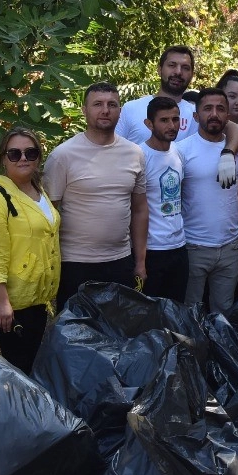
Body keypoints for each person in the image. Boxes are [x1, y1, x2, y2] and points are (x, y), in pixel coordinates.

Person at [44, 82, 148, 309]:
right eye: (98, 104)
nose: (105, 110)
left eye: (112, 105)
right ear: (84, 110)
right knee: (76, 335)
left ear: (120, 111)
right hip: (75, 263)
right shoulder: (63, 155)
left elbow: (140, 209)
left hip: (120, 261)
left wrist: (139, 261)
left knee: (118, 333)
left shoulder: (134, 154)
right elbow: (47, 214)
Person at [0, 127, 60, 374]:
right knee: (18, 367)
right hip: (12, 301)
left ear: (38, 157)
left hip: (36, 297)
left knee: (32, 363)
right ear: (3, 159)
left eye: (30, 152)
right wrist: (2, 302)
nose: (23, 158)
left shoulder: (37, 190)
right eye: (14, 154)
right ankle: (12, 412)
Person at [177, 88, 238, 315]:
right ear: (196, 115)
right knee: (190, 311)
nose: (214, 114)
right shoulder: (182, 150)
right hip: (193, 245)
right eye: (207, 108)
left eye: (220, 109)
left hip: (229, 246)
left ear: (228, 115)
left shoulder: (236, 149)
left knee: (223, 311)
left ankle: (219, 350)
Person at [139, 97, 189, 303]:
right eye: (164, 120)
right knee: (150, 315)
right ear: (149, 124)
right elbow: (135, 208)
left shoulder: (178, 152)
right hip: (152, 250)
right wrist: (140, 261)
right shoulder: (139, 155)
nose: (171, 125)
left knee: (177, 311)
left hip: (179, 246)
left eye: (175, 119)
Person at [117, 46, 198, 144]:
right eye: (172, 65)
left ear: (192, 74)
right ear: (159, 69)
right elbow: (114, 149)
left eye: (185, 68)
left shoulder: (198, 117)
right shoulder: (131, 109)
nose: (178, 72)